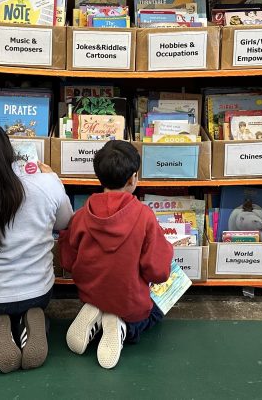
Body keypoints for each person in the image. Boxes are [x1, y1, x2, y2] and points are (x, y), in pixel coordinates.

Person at [0, 114, 73, 374]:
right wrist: (54, 177)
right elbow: (65, 222)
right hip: (38, 292)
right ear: (8, 148)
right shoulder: (45, 184)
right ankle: (31, 322)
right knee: (28, 304)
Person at [60, 141, 173, 369]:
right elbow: (158, 272)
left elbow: (68, 261)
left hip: (92, 291)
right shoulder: (145, 217)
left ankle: (98, 310)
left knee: (105, 293)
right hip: (129, 300)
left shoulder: (80, 216)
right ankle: (124, 327)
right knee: (158, 310)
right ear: (133, 178)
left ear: (98, 176)